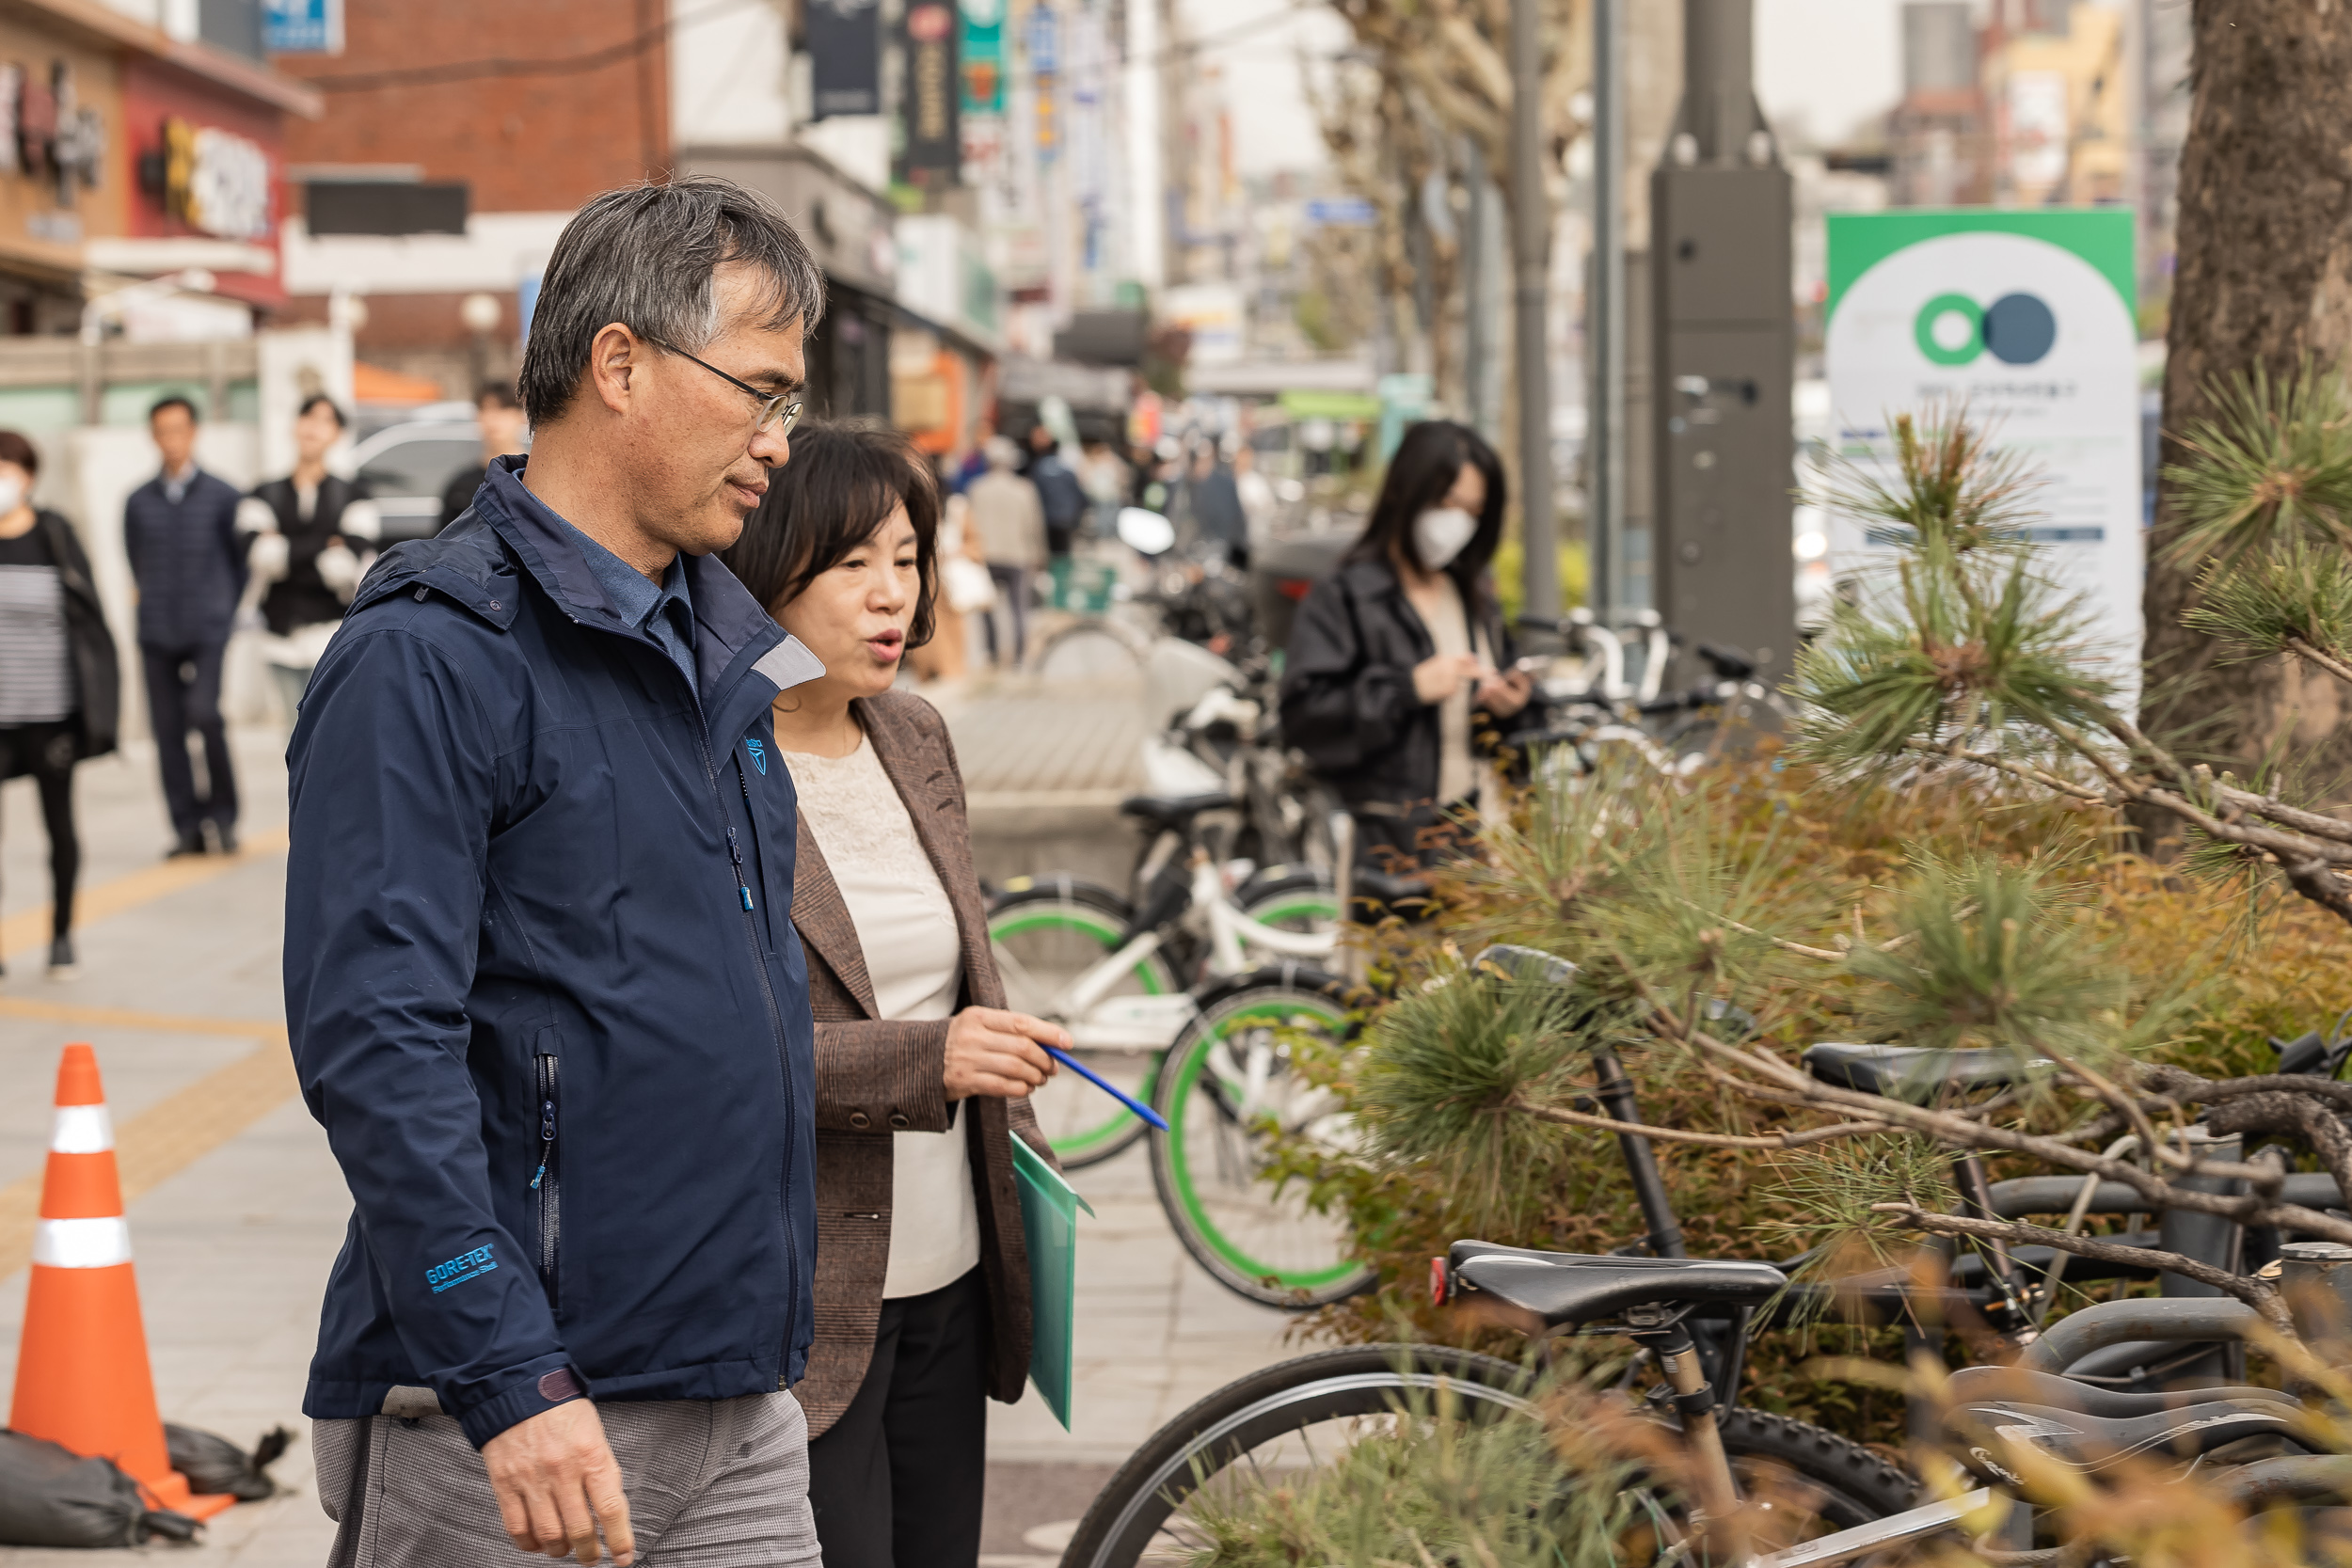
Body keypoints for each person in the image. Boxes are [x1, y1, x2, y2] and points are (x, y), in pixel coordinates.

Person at [288, 176, 834, 1568]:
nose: (783, 440)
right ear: (621, 363)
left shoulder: (722, 646)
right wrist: (505, 1374)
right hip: (521, 1422)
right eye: (761, 391)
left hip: (741, 1391)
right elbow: (375, 1043)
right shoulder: (432, 653)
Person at [719, 420, 1065, 1568]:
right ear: (771, 569)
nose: (892, 596)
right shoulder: (710, 770)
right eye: (853, 563)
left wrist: (1001, 1057)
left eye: (908, 560)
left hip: (954, 1268)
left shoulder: (914, 734)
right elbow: (711, 1051)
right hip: (806, 1298)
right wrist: (933, 1059)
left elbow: (962, 963)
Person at [1278, 420, 1534, 883]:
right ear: (1404, 493)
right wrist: (1406, 689)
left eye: (1473, 510)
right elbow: (1305, 717)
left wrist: (1513, 706)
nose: (1458, 523)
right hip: (1389, 851)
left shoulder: (1473, 594)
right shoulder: (1346, 596)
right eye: (1445, 503)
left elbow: (1517, 733)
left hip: (1479, 842)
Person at [0, 431, 117, 979]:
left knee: (59, 825)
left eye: (9, 469)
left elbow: (89, 617)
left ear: (29, 476)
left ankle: (62, 934)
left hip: (50, 710)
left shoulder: (53, 534)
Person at [123, 395, 244, 857]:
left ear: (194, 432)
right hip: (156, 629)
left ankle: (224, 816)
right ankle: (186, 827)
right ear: (153, 436)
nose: (171, 439)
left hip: (208, 626)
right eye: (162, 430)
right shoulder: (137, 501)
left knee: (205, 714)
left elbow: (238, 563)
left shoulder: (223, 495)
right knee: (167, 730)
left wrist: (224, 609)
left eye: (179, 429)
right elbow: (136, 559)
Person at [238, 394, 381, 720]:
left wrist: (286, 547)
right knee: (291, 738)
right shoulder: (262, 494)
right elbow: (262, 558)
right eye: (308, 417)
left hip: (332, 636)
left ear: (337, 435)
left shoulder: (355, 496)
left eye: (325, 421)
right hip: (278, 637)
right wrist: (325, 544)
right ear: (295, 425)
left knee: (333, 732)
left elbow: (346, 568)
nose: (314, 428)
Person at [965, 435, 1045, 668]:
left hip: (986, 555)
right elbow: (1034, 526)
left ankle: (992, 653)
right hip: (1017, 555)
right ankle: (1019, 656)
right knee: (1019, 610)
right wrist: (1040, 555)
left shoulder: (976, 489)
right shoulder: (1024, 489)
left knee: (987, 609)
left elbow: (969, 525)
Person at [437, 381, 530, 531]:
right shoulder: (460, 486)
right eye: (485, 409)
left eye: (503, 408)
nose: (493, 418)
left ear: (521, 415)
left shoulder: (535, 480)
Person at [1022, 423, 1088, 558]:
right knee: (1061, 557)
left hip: (1049, 519)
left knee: (1051, 556)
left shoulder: (1038, 467)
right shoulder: (1061, 466)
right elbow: (1081, 496)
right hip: (1064, 519)